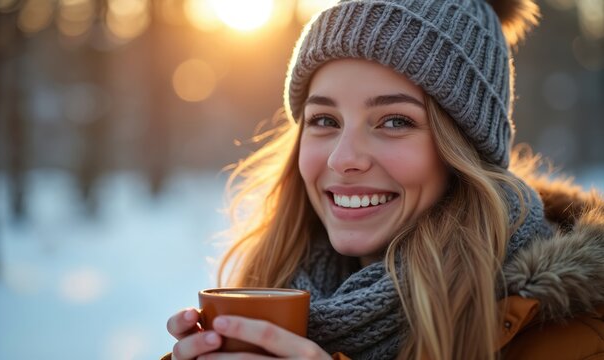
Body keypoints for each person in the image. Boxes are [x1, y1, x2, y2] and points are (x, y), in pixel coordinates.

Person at [163, 0, 604, 359]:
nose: (344, 158)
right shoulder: (275, 289)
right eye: (324, 119)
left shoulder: (580, 333)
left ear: (465, 151)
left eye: (394, 121)